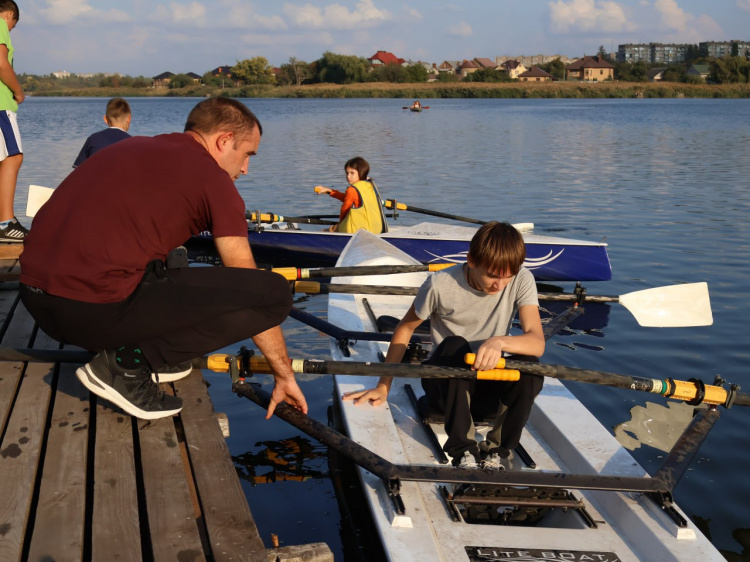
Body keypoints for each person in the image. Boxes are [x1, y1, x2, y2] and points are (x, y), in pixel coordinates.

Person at [20, 97, 308, 421]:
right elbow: (247, 278)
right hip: (88, 315)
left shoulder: (126, 148)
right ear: (224, 140)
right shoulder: (213, 180)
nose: (245, 168)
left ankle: (154, 352)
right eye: (247, 154)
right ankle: (128, 366)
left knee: (165, 263)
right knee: (273, 294)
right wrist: (283, 375)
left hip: (35, 301)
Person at [343, 222, 545, 470]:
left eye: (507, 277)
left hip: (486, 391)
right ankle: (463, 452)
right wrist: (383, 386)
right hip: (445, 390)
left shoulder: (522, 279)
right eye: (492, 275)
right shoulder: (439, 284)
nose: (499, 285)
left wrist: (499, 341)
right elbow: (405, 328)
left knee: (531, 366)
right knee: (454, 345)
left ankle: (497, 451)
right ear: (471, 260)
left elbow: (536, 341)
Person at [0, 0, 26, 243]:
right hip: (1, 105)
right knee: (13, 157)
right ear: (8, 14)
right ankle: (5, 223)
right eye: (12, 25)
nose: (10, 30)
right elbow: (1, 63)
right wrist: (18, 91)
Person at [314, 156, 387, 234]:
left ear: (361, 172)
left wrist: (339, 224)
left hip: (358, 230)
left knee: (327, 230)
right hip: (375, 227)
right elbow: (351, 198)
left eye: (352, 173)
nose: (348, 176)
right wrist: (330, 191)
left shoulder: (352, 189)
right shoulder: (370, 184)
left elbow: (345, 209)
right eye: (347, 173)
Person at [73, 97, 132, 168]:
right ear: (129, 118)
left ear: (105, 119)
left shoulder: (93, 139)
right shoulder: (133, 143)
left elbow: (78, 172)